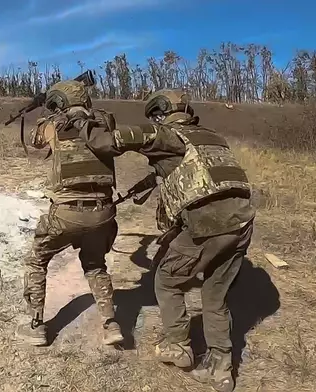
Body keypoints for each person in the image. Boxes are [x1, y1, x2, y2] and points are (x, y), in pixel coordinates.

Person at [69, 89, 255, 392]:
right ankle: (221, 369)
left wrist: (82, 120)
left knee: (167, 279)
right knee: (215, 295)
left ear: (159, 114)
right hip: (244, 223)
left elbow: (104, 142)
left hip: (209, 225)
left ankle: (178, 345)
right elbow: (178, 171)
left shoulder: (162, 133)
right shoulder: (209, 137)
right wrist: (137, 189)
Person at [14, 79, 124, 347]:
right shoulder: (104, 123)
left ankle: (36, 326)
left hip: (66, 213)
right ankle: (111, 324)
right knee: (95, 265)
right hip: (103, 212)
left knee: (36, 260)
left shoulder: (53, 125)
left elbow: (35, 141)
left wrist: (47, 109)